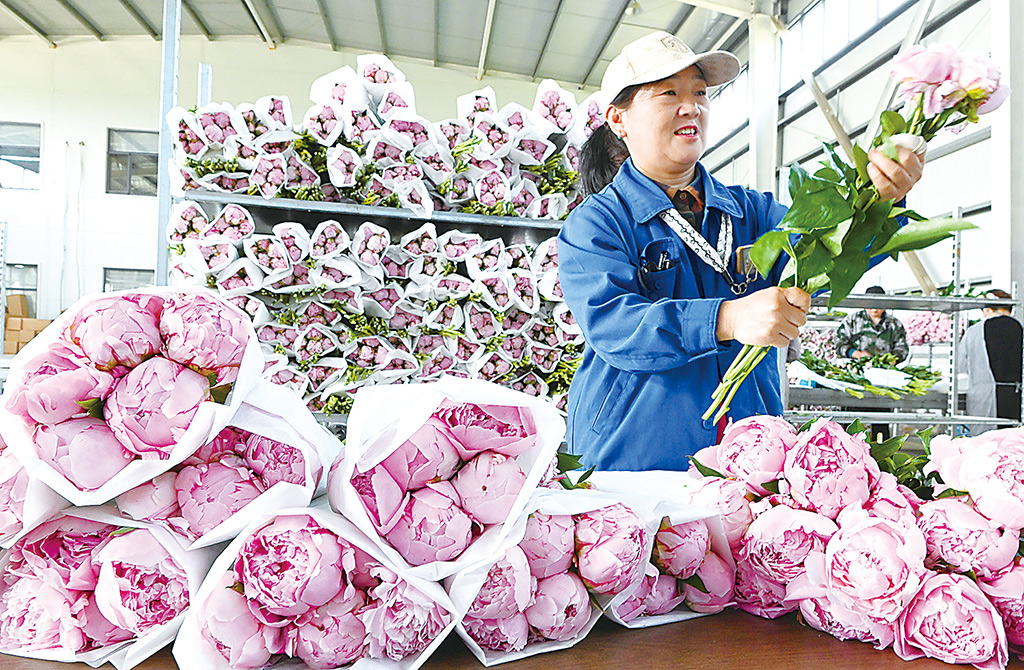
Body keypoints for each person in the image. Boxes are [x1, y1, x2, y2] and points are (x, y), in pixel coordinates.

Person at [558, 31, 923, 471]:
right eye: (669, 93)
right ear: (619, 120)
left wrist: (880, 203)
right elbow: (616, 326)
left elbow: (829, 256)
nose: (691, 105)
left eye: (700, 93)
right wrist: (727, 319)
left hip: (750, 454)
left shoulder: (752, 212)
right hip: (635, 455)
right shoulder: (597, 223)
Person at [958, 289, 1023, 434]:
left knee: (985, 444)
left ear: (987, 309)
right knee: (1014, 443)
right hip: (1017, 395)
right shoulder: (1020, 328)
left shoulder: (974, 331)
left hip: (983, 397)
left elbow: (961, 365)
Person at [834, 286, 909, 363]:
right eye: (870, 304)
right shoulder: (851, 321)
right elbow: (839, 345)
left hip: (885, 370)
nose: (874, 309)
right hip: (856, 368)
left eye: (879, 305)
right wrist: (855, 354)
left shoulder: (895, 324)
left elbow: (902, 349)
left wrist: (890, 360)